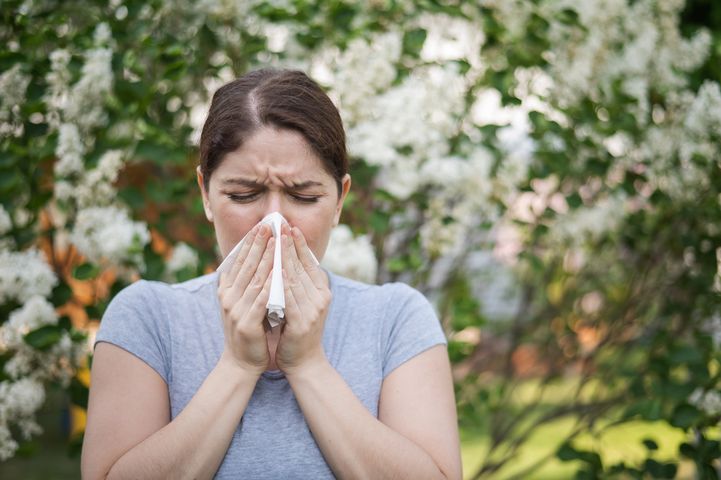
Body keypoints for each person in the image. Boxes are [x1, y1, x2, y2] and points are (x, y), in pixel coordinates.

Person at [81, 68, 462, 479]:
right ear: (206, 194)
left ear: (339, 201)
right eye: (244, 195)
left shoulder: (397, 318)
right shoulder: (147, 317)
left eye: (303, 196)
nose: (274, 223)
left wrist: (309, 365)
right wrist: (238, 366)